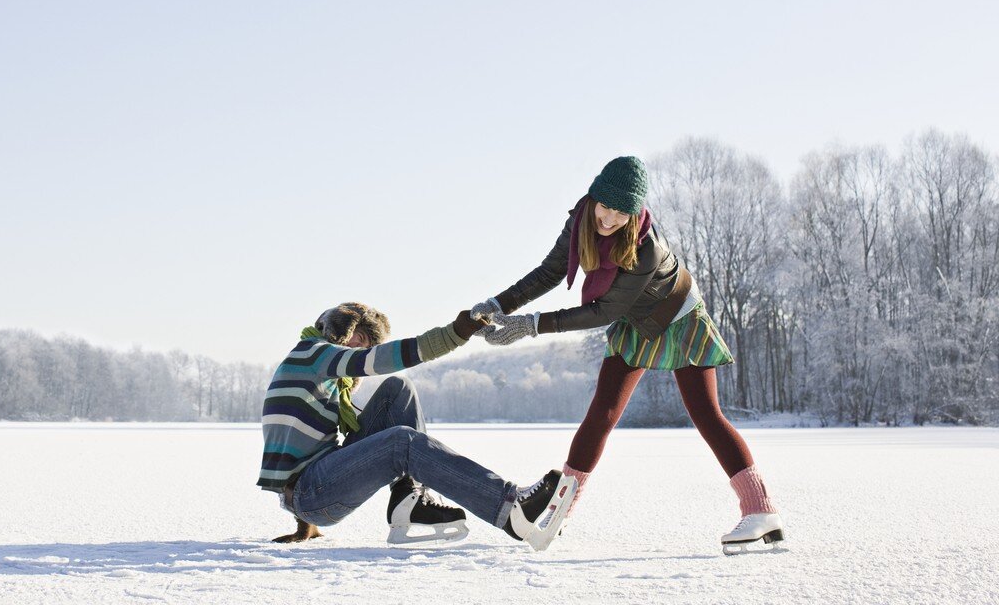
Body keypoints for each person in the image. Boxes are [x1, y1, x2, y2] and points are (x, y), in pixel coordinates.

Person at [471, 156, 785, 554]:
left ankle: (761, 510)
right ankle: (560, 510)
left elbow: (605, 311)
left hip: (679, 317)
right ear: (594, 197)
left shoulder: (645, 247)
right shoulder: (581, 219)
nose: (610, 219)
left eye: (622, 213)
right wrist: (501, 303)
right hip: (637, 320)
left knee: (706, 413)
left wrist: (531, 325)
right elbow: (550, 270)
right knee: (602, 413)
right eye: (606, 207)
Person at [258, 302, 565, 549]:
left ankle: (411, 498)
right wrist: (453, 334)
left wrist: (305, 523)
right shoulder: (314, 352)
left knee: (397, 390)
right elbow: (379, 359)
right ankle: (511, 511)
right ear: (341, 329)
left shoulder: (315, 364)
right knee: (401, 442)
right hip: (311, 491)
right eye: (360, 340)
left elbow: (293, 446)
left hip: (313, 487)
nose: (360, 349)